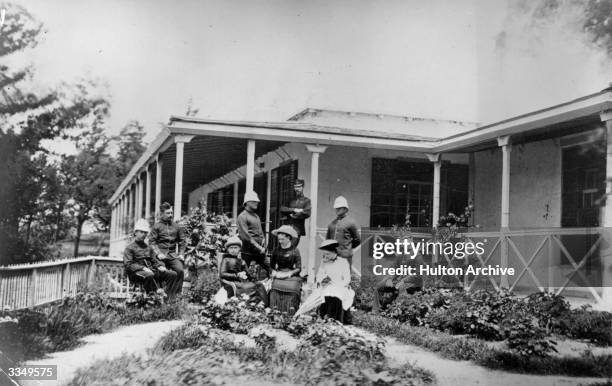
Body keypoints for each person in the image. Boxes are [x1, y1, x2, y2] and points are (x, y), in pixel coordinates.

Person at [123, 219, 181, 298]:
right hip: (136, 273)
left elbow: (154, 259)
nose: (143, 234)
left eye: (145, 233)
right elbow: (128, 265)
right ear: (135, 232)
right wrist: (143, 268)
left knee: (172, 274)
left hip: (151, 270)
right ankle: (153, 298)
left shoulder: (148, 247)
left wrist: (160, 266)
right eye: (141, 232)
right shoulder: (129, 248)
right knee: (149, 275)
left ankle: (169, 298)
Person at [149, 202, 186, 297]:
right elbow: (152, 242)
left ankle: (175, 296)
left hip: (172, 255)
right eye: (168, 213)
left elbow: (182, 241)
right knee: (164, 272)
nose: (171, 215)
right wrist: (158, 253)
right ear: (162, 214)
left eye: (171, 213)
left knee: (180, 270)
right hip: (160, 256)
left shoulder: (176, 226)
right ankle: (160, 295)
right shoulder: (157, 226)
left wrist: (181, 253)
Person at [315, 239, 354, 324]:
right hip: (328, 285)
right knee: (326, 293)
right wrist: (321, 280)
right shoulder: (324, 262)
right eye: (324, 254)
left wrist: (339, 285)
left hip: (341, 286)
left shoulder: (343, 262)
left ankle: (336, 320)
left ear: (334, 252)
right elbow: (320, 275)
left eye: (328, 254)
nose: (326, 256)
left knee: (336, 295)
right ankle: (324, 318)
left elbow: (347, 279)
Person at [269, 225, 303, 314]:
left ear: (288, 238)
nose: (280, 241)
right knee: (274, 287)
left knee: (293, 288)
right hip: (279, 273)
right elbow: (271, 266)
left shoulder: (295, 251)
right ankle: (275, 312)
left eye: (282, 239)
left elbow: (299, 268)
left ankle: (290, 312)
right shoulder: (276, 250)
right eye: (279, 239)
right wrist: (273, 272)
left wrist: (290, 273)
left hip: (291, 275)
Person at [236, 191, 270, 277]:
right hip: (247, 252)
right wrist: (258, 247)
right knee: (243, 274)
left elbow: (261, 233)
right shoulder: (242, 216)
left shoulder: (256, 216)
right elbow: (245, 236)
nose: (257, 203)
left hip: (259, 252)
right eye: (254, 201)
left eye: (257, 201)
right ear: (247, 202)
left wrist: (263, 244)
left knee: (270, 268)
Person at [326, 196, 361, 267]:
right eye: (336, 208)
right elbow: (327, 241)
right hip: (333, 256)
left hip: (345, 257)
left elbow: (357, 240)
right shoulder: (331, 224)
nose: (337, 209)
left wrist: (348, 248)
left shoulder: (351, 222)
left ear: (345, 209)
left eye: (340, 208)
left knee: (345, 276)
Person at [280, 179, 311, 246]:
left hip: (297, 229)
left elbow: (307, 213)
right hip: (287, 228)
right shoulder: (290, 199)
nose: (297, 189)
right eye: (295, 187)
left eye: (299, 187)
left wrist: (293, 215)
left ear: (302, 187)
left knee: (292, 248)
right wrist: (294, 210)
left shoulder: (306, 201)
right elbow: (282, 209)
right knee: (284, 248)